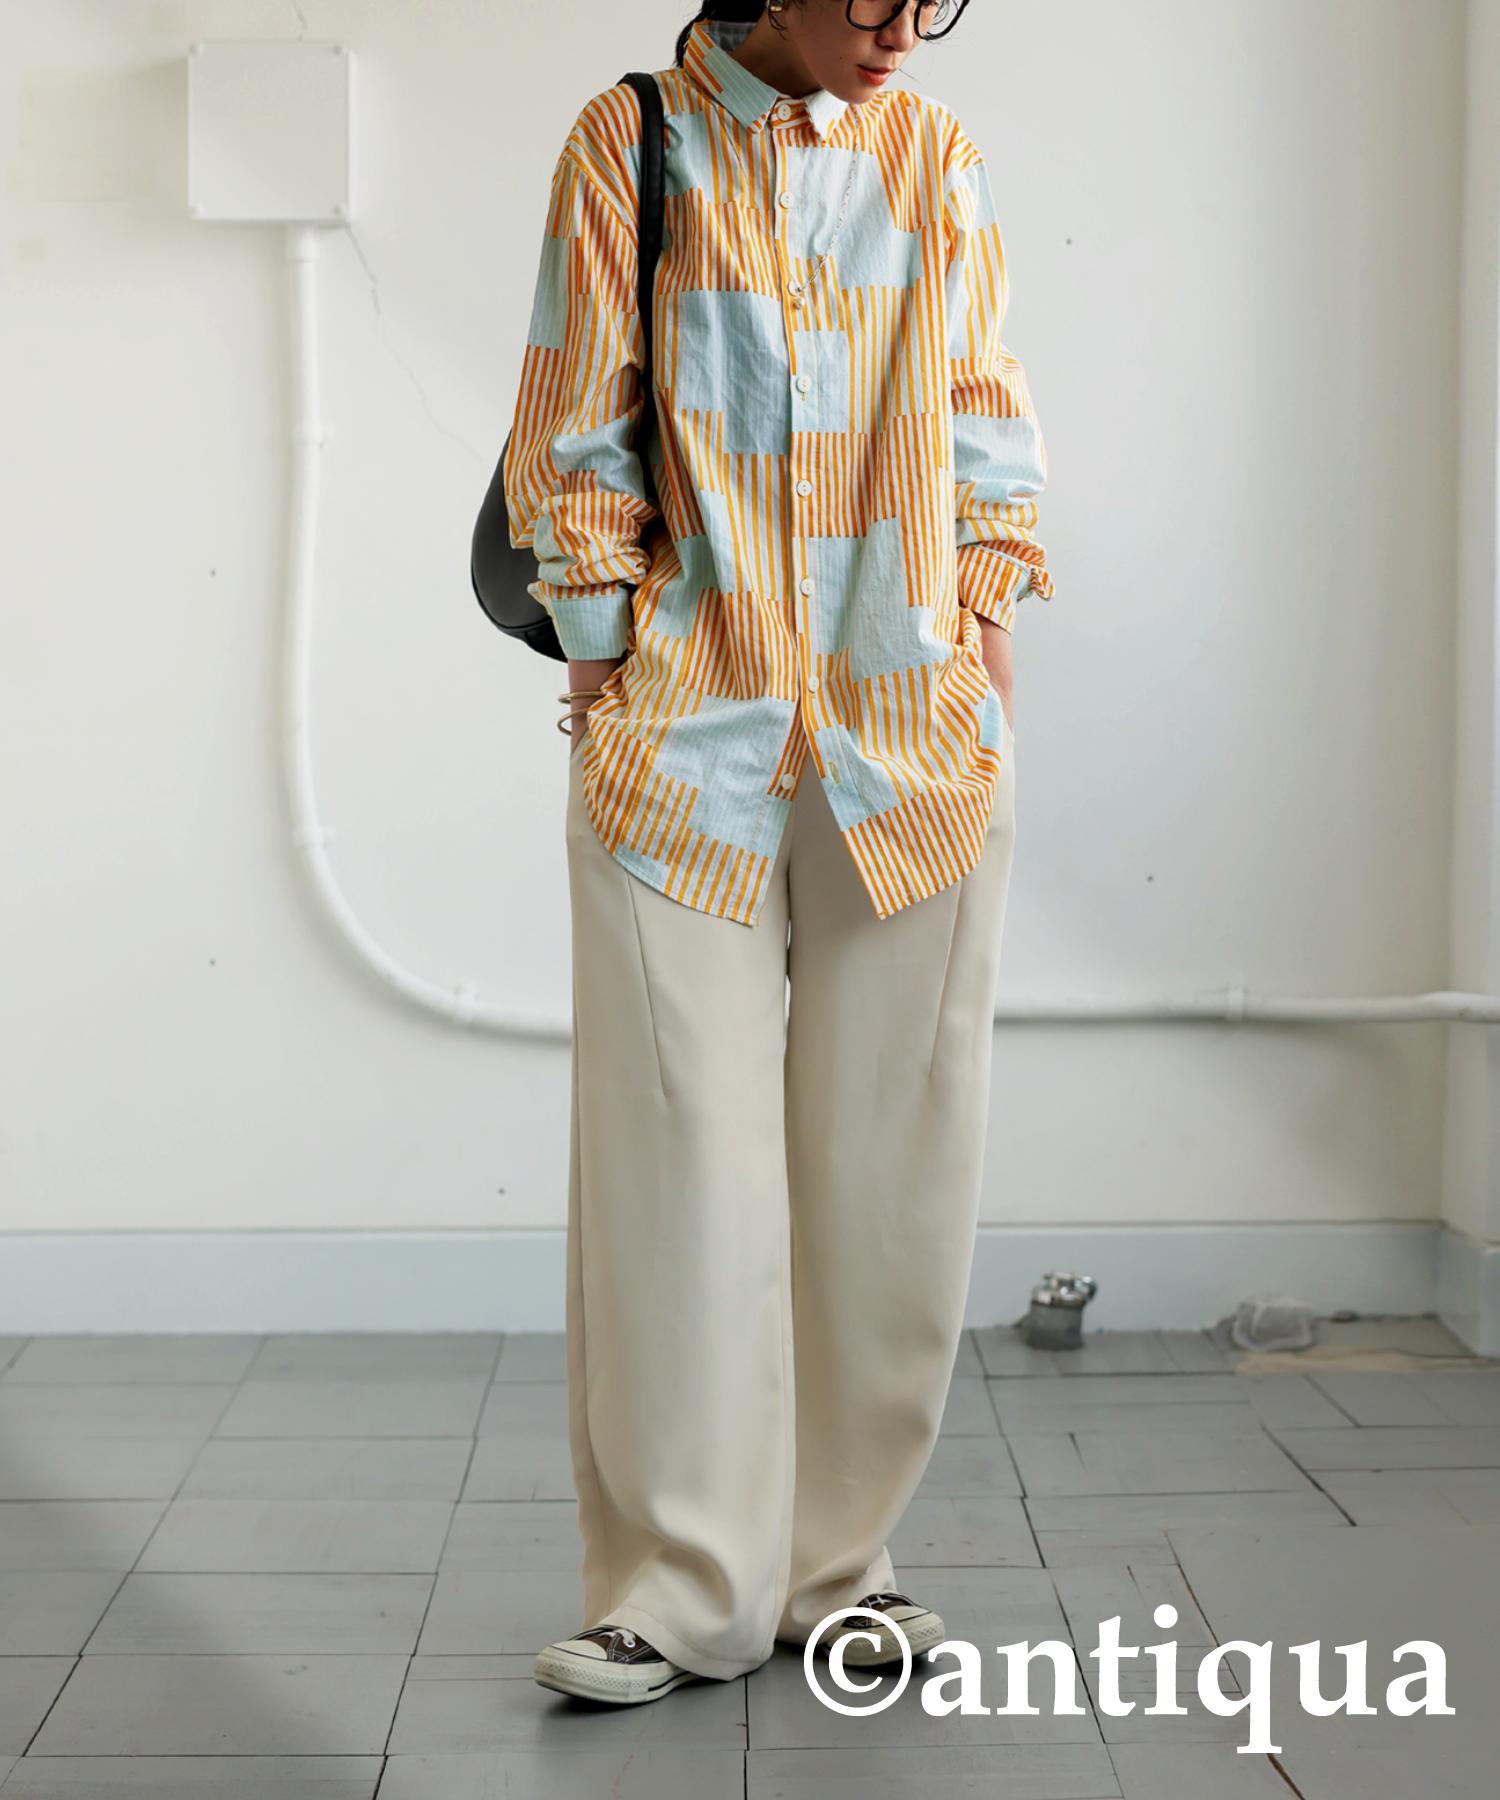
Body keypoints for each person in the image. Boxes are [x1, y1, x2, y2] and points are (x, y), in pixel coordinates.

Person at [503, 0, 1054, 1705]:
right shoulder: (632, 143)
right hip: (686, 736)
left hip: (913, 735)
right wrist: (602, 653)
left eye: (935, 1)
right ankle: (676, 1592)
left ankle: (837, 1569)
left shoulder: (934, 157)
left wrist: (982, 627)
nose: (906, 32)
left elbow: (983, 407)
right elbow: (571, 415)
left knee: (893, 1172)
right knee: (679, 1166)